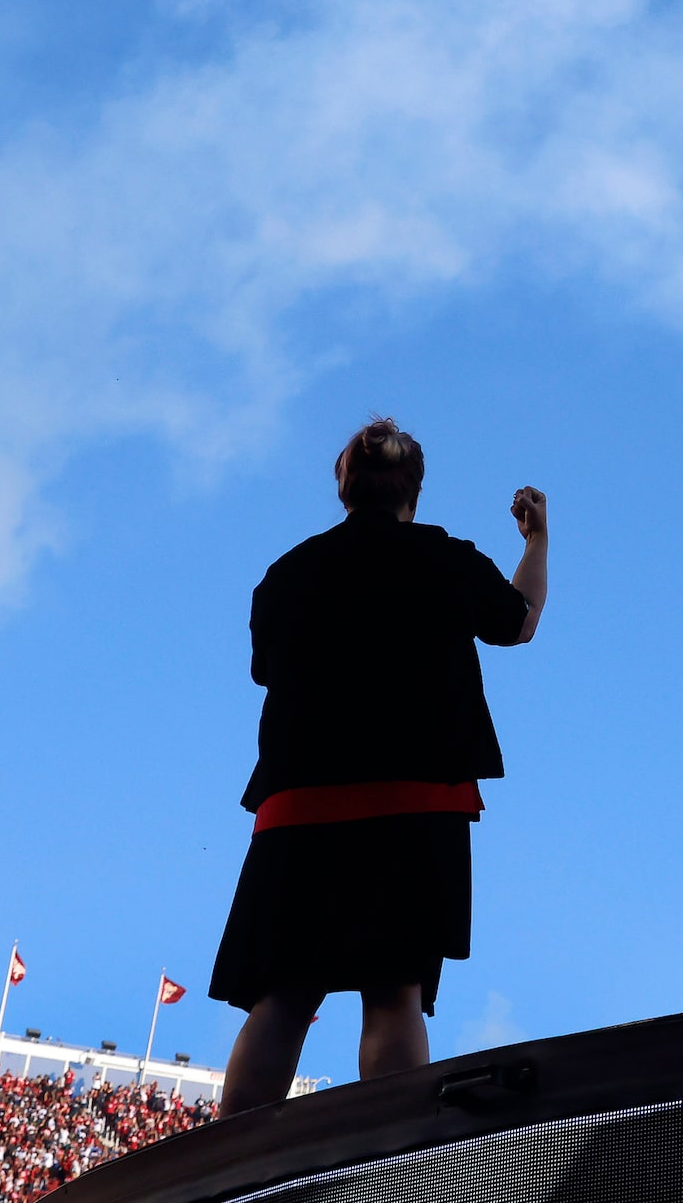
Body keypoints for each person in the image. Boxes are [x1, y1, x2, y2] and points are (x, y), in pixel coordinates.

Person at [209, 419, 549, 1115]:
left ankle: (227, 1176)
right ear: (413, 490)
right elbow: (518, 621)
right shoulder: (443, 558)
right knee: (394, 992)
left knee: (282, 995)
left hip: (297, 808)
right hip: (416, 801)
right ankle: (390, 1167)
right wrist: (537, 540)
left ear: (343, 486)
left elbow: (262, 670)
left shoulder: (284, 575)